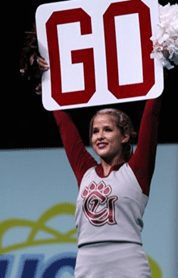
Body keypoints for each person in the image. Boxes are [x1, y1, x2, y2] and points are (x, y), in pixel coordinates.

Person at [32, 55, 161, 277]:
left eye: (107, 129)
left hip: (127, 262)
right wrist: (46, 80)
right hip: (87, 264)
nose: (99, 136)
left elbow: (151, 115)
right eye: (95, 131)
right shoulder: (86, 172)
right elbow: (65, 126)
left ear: (125, 136)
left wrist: (160, 65)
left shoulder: (137, 171)